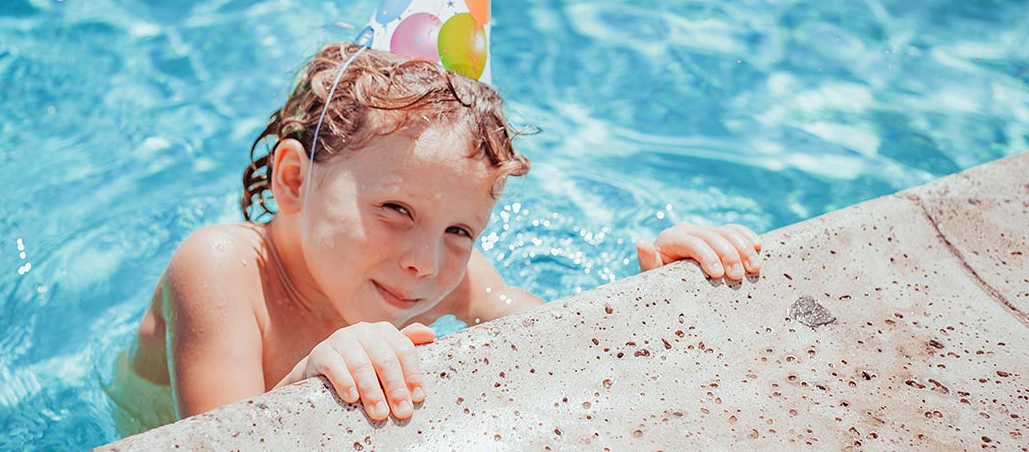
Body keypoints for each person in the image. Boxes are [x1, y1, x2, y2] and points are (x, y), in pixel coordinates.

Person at [105, 42, 762, 435]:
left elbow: (559, 341)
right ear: (294, 179)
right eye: (395, 208)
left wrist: (651, 295)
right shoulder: (222, 269)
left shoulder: (450, 274)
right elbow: (219, 440)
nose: (424, 261)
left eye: (460, 229)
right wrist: (310, 377)